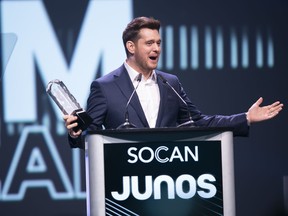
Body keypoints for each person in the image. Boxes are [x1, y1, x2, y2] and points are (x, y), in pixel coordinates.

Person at [64, 16, 283, 149]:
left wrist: (245, 118)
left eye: (158, 43)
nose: (156, 48)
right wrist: (75, 134)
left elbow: (198, 122)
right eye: (149, 43)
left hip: (167, 180)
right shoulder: (104, 87)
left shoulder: (171, 83)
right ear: (131, 47)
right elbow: (89, 136)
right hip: (124, 183)